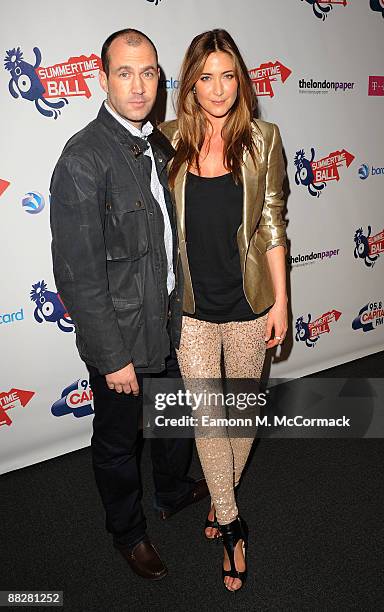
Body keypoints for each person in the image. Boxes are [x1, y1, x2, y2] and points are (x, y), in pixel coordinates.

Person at [50, 28, 208, 581]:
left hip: (166, 323)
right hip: (119, 339)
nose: (139, 86)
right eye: (125, 72)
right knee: (119, 443)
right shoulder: (82, 158)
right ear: (103, 78)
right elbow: (77, 275)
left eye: (149, 73)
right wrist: (111, 355)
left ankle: (170, 491)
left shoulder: (158, 145)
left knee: (173, 421)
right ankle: (128, 533)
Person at [159, 28, 288, 591]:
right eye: (205, 77)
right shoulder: (166, 143)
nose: (217, 88)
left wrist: (281, 301)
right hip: (191, 311)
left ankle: (218, 495)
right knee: (210, 420)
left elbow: (273, 226)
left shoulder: (264, 138)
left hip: (248, 306)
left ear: (241, 80)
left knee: (241, 418)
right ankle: (232, 524)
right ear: (190, 84)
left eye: (227, 75)